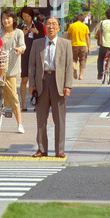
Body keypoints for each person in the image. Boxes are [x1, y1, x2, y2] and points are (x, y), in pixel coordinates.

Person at [28, 16, 73, 158]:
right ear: (45, 27)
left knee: (59, 119)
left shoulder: (66, 44)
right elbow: (32, 66)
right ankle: (42, 149)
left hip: (58, 82)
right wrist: (32, 84)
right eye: (48, 24)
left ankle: (59, 150)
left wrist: (68, 86)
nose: (51, 26)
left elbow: (68, 67)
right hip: (41, 82)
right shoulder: (37, 44)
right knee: (41, 119)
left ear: (59, 28)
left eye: (54, 24)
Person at [18, 7, 45, 111]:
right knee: (24, 79)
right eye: (24, 16)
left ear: (32, 16)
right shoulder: (20, 27)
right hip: (24, 56)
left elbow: (43, 39)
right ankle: (24, 104)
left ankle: (37, 103)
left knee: (37, 79)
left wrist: (37, 32)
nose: (26, 18)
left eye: (28, 16)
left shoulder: (38, 25)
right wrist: (22, 34)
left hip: (36, 55)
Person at [67, 14, 90, 80]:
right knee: (83, 60)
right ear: (83, 20)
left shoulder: (72, 26)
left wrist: (69, 43)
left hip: (74, 45)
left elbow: (68, 36)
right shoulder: (85, 26)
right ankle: (80, 75)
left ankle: (74, 68)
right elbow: (87, 38)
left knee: (73, 59)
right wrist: (89, 47)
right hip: (83, 45)